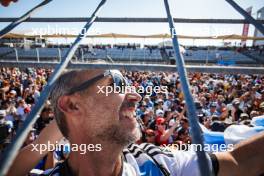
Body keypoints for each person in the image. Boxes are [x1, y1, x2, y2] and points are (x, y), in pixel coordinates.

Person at [5, 69, 264, 176]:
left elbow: (241, 162)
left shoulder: (162, 164)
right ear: (73, 104)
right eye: (116, 84)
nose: (136, 96)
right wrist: (66, 127)